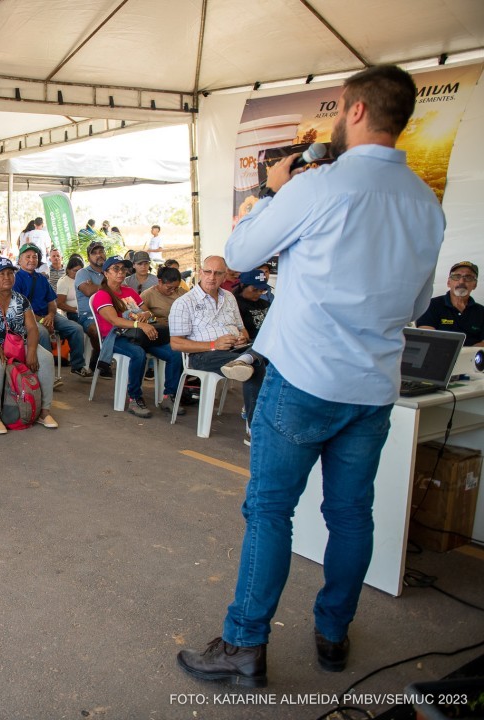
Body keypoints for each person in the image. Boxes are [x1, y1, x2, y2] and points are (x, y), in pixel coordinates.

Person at [177, 65, 446, 687]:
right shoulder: (424, 203)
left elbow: (239, 256)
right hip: (373, 386)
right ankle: (332, 636)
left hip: (303, 378)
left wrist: (270, 192)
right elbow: (415, 306)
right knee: (352, 515)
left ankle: (244, 645)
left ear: (354, 111)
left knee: (270, 511)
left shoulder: (319, 185)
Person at [169, 256, 264, 426]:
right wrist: (214, 344)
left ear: (225, 275)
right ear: (200, 272)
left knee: (272, 355)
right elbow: (176, 344)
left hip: (236, 348)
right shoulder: (184, 302)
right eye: (208, 272)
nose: (212, 277)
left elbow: (242, 328)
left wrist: (243, 336)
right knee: (255, 367)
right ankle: (255, 426)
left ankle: (243, 361)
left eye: (218, 273)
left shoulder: (229, 297)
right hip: (204, 355)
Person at [0, 258, 58, 434]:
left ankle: (44, 411)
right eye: (1, 274)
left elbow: (32, 328)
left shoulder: (21, 299)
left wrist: (31, 351)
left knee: (46, 358)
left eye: (10, 273)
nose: (7, 277)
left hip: (15, 343)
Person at [91, 256, 184, 416]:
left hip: (139, 335)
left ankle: (169, 396)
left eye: (123, 269)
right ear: (106, 273)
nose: (121, 272)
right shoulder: (102, 295)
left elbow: (147, 310)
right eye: (116, 269)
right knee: (138, 354)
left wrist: (144, 316)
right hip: (115, 337)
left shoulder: (129, 291)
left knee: (175, 352)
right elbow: (114, 320)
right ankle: (135, 398)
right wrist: (139, 324)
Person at [13, 244, 92, 379]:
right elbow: (18, 308)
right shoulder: (15, 279)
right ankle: (48, 375)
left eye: (35, 256)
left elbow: (52, 302)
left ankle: (77, 365)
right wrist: (42, 320)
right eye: (28, 257)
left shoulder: (42, 278)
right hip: (28, 319)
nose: (32, 260)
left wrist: (50, 315)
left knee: (76, 328)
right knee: (42, 332)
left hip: (48, 315)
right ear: (19, 260)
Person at [416, 261, 483, 345]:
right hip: (438, 355)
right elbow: (426, 336)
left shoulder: (481, 311)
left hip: (472, 357)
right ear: (448, 282)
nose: (461, 281)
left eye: (468, 277)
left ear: (475, 285)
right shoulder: (431, 305)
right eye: (456, 276)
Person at [234, 269, 272, 340]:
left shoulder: (265, 303)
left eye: (262, 290)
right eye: (255, 289)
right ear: (242, 285)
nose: (259, 293)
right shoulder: (234, 304)